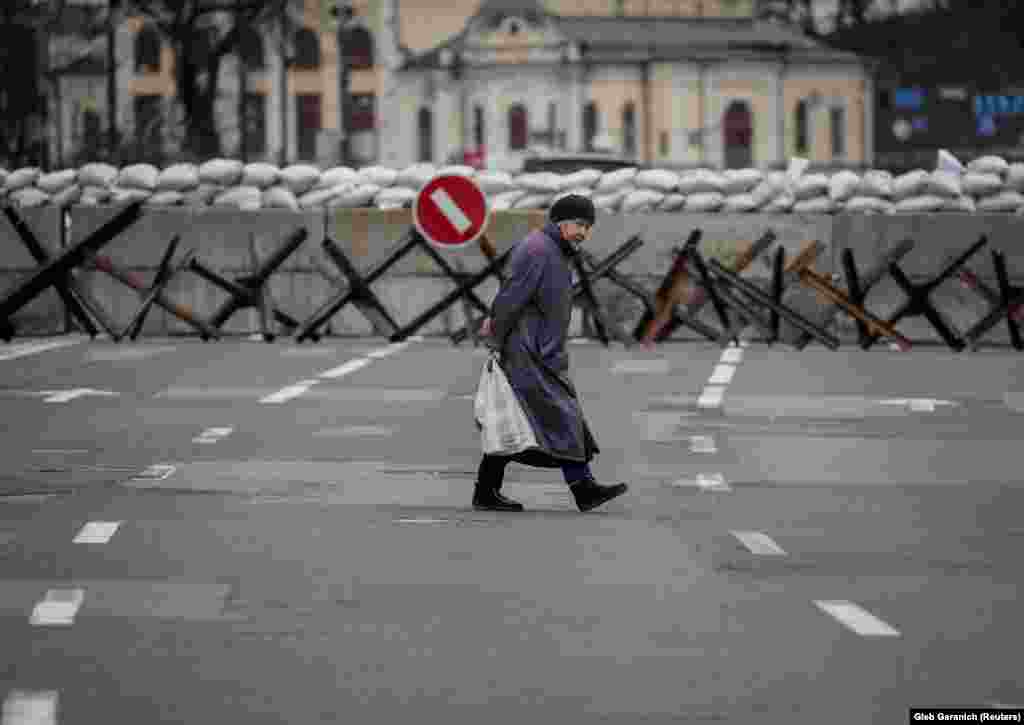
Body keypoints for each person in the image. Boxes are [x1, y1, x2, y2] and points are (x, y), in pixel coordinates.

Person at [473, 194, 629, 513]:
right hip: (527, 352)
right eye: (579, 225)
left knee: (517, 420)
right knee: (560, 417)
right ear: (560, 222)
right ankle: (582, 488)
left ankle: (487, 491)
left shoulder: (554, 250)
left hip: (540, 351)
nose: (583, 232)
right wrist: (496, 340)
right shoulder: (538, 250)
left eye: (589, 227)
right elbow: (511, 297)